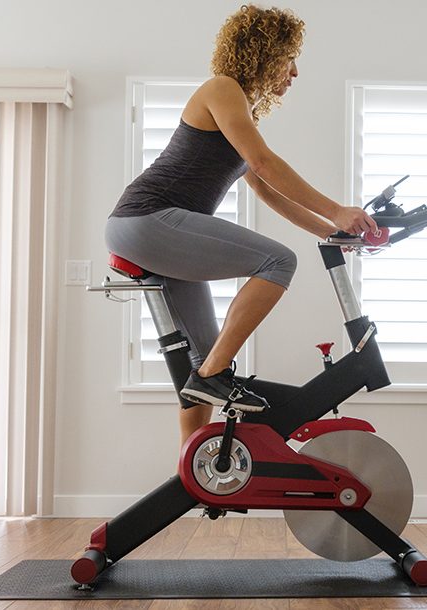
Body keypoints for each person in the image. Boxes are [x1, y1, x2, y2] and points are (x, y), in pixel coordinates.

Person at [105, 5, 377, 446]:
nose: (294, 72)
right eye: (290, 57)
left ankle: (191, 474)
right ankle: (212, 376)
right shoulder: (222, 89)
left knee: (203, 365)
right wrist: (336, 210)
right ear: (265, 52)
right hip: (146, 218)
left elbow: (267, 190)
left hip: (157, 229)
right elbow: (264, 164)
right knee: (278, 262)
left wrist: (331, 232)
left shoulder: (240, 108)